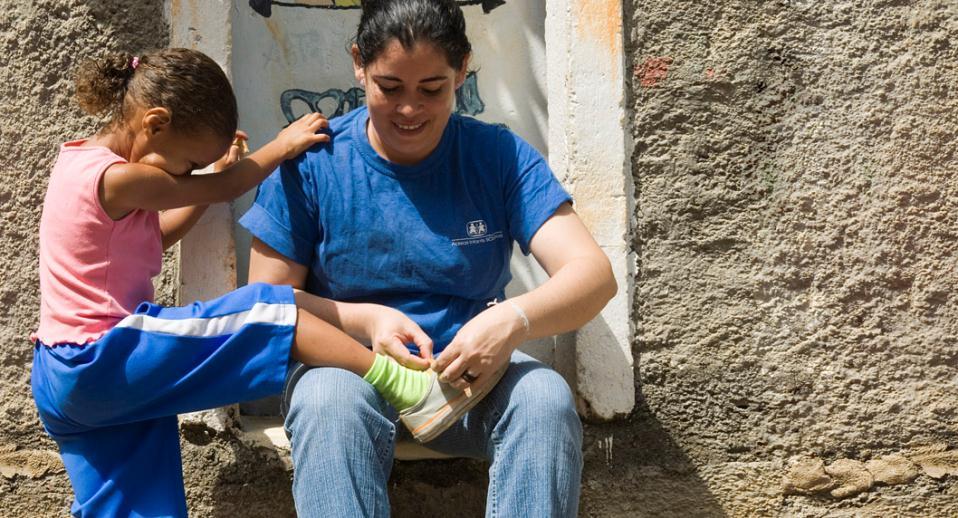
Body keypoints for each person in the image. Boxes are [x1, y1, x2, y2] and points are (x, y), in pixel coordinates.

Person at [30, 47, 465, 518]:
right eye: (185, 164)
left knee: (134, 508)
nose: (185, 175)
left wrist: (206, 175)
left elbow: (158, 234)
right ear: (154, 124)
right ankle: (405, 387)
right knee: (274, 313)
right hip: (101, 356)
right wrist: (282, 145)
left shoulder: (80, 165)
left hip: (64, 377)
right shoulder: (118, 178)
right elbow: (226, 188)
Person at [240, 0, 617, 515]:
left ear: (462, 69)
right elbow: (262, 304)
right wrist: (364, 319)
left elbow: (593, 275)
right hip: (349, 368)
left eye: (432, 89)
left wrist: (512, 320)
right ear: (358, 63)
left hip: (469, 377)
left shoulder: (497, 156)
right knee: (327, 403)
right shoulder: (313, 162)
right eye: (389, 88)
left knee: (544, 400)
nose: (409, 110)